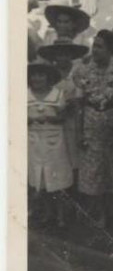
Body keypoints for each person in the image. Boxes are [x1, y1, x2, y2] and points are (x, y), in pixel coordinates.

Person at [70, 30, 113, 228]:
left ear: (111, 49)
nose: (95, 50)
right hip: (92, 125)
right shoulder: (82, 71)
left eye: (100, 47)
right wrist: (78, 132)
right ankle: (98, 214)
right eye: (95, 46)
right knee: (93, 172)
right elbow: (78, 104)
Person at [28, 60, 73, 227]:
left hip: (54, 143)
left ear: (48, 78)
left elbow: (64, 117)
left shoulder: (57, 94)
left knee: (56, 180)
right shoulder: (26, 95)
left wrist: (49, 118)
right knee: (40, 181)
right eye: (34, 75)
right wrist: (31, 119)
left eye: (41, 75)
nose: (37, 78)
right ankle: (47, 212)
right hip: (33, 143)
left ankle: (60, 215)